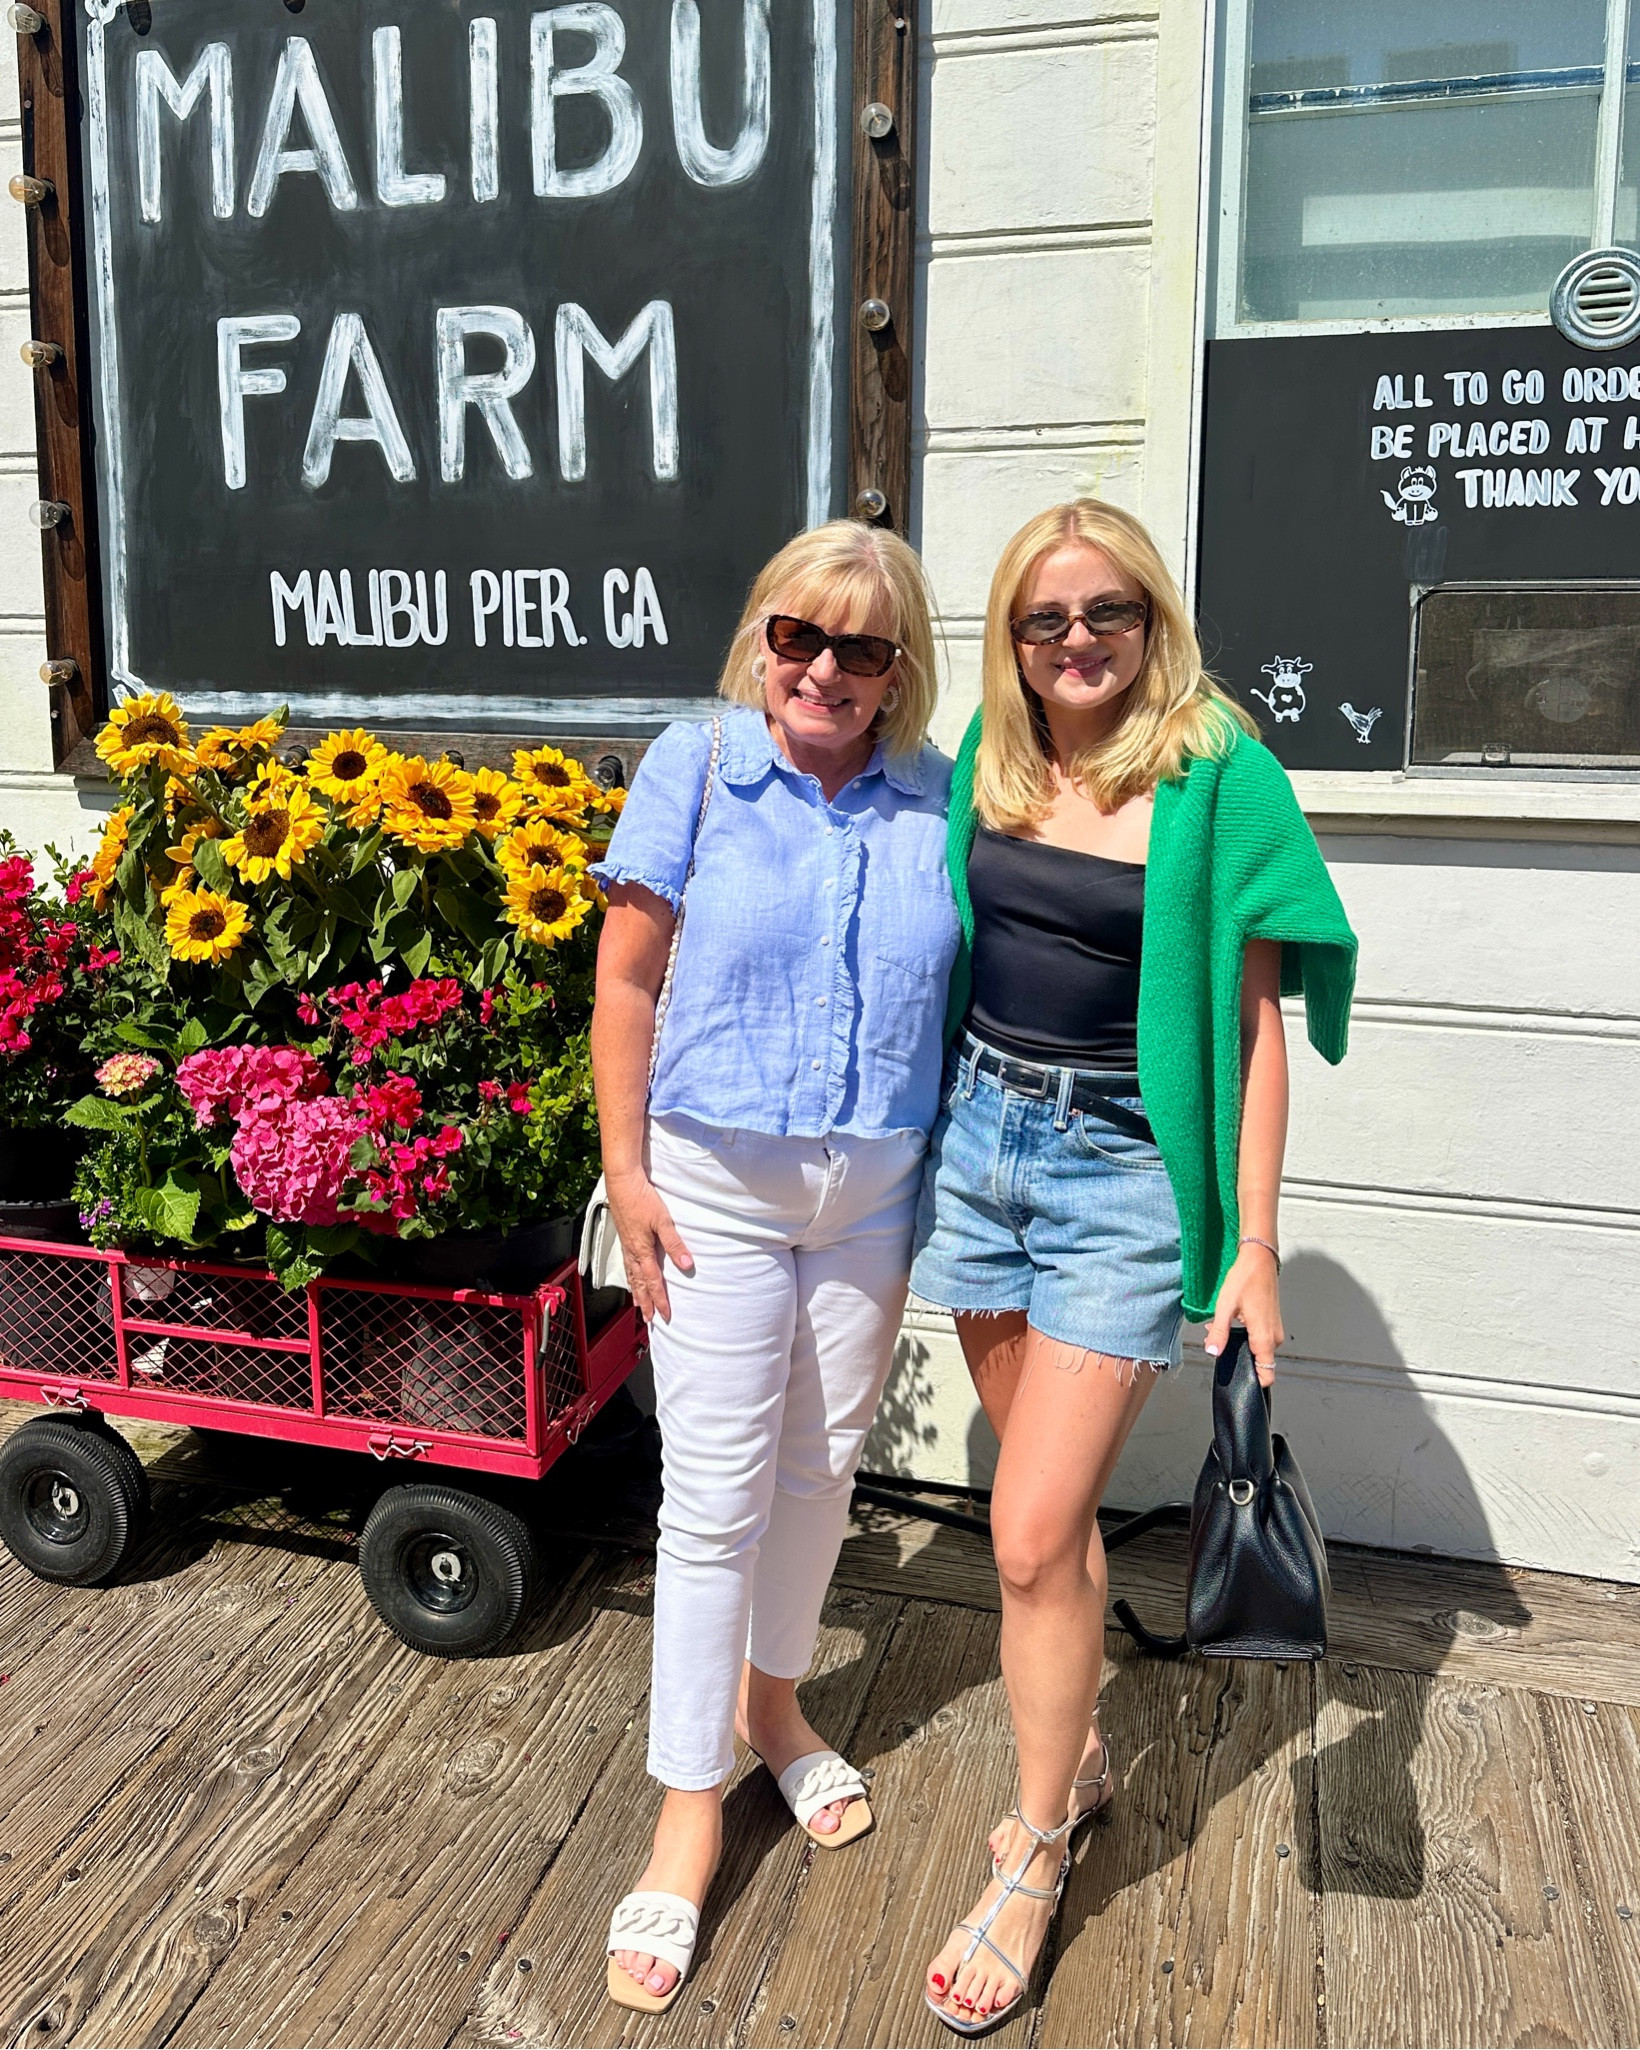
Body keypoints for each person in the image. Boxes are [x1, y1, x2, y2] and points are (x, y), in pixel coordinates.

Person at [911, 500, 1357, 2034]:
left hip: (1114, 1174)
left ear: (1149, 614)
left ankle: (1033, 1851)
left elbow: (1251, 1029)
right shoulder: (993, 751)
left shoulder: (1213, 765)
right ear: (1013, 638)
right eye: (1045, 620)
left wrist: (1254, 1241)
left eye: (1104, 612)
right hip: (976, 1152)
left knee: (1027, 1530)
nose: (1077, 641)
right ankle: (1081, 1755)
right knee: (1055, 1523)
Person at [589, 520, 959, 2015]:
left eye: (860, 647)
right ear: (761, 639)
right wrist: (625, 1169)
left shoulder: (941, 798)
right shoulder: (695, 764)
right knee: (717, 1490)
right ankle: (691, 1799)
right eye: (800, 635)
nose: (823, 667)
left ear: (898, 672)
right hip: (714, 1187)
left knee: (822, 1470)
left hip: (871, 1190)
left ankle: (777, 1705)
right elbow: (624, 971)